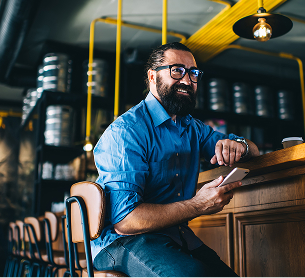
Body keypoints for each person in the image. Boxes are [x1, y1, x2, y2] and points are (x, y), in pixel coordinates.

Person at [92, 42, 259, 277]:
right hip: (121, 242)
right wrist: (199, 204)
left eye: (194, 73)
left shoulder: (193, 127)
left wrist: (238, 146)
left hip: (172, 235)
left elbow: (253, 150)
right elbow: (126, 221)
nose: (187, 80)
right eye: (177, 70)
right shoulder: (126, 131)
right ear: (152, 76)